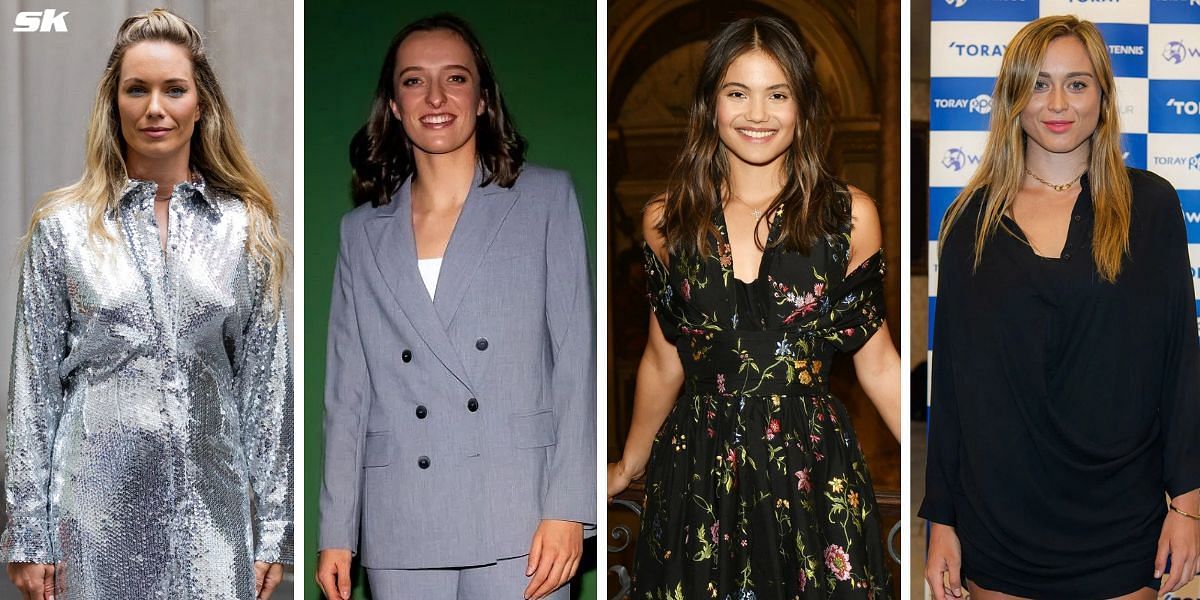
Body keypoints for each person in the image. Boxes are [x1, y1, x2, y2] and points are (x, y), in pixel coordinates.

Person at [1, 8, 293, 600]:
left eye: (173, 89)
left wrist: (274, 533)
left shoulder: (245, 230)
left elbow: (266, 391)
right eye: (137, 89)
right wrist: (28, 534)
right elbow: (32, 393)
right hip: (91, 520)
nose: (154, 107)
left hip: (215, 525)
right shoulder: (62, 230)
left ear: (200, 103)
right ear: (114, 103)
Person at [607, 16, 900, 599]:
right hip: (698, 473)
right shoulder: (668, 222)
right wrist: (628, 462)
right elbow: (665, 357)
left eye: (778, 94)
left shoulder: (847, 217)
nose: (757, 114)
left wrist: (939, 473)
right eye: (737, 93)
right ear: (711, 104)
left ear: (803, 107)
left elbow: (879, 362)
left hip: (811, 471)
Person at [314, 13, 595, 600]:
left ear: (484, 98)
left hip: (520, 513)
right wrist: (337, 531)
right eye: (414, 81)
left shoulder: (544, 199)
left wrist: (570, 506)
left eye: (456, 79)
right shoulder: (360, 232)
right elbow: (349, 392)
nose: (436, 97)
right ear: (393, 104)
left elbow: (577, 365)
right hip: (401, 522)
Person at [921, 15, 1200, 600]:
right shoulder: (967, 222)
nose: (1057, 103)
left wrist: (1189, 504)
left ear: (1103, 95)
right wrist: (940, 520)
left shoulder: (1150, 207)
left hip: (1122, 522)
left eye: (1077, 84)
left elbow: (1181, 365)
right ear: (1012, 97)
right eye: (1038, 82)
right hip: (998, 527)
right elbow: (951, 384)